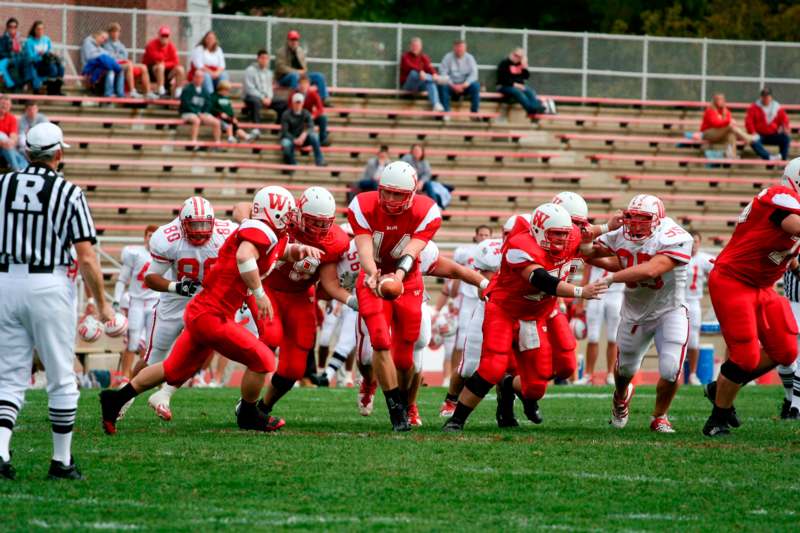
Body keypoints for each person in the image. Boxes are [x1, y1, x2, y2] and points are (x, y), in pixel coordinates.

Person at [100, 187, 322, 434]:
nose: (292, 217)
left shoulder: (270, 233)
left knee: (172, 369)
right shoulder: (260, 231)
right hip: (212, 315)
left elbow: (278, 252)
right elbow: (245, 256)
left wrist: (298, 251)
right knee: (264, 359)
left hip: (203, 310)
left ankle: (114, 400)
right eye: (288, 212)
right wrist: (259, 294)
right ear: (275, 212)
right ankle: (248, 414)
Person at [0, 122, 113, 480]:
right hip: (48, 282)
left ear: (29, 152)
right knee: (62, 376)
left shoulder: (2, 185)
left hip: (4, 280)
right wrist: (102, 303)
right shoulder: (69, 192)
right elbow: (87, 256)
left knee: (8, 376)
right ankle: (61, 461)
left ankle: (1, 451)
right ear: (59, 153)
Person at [442, 203, 606, 432]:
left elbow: (587, 232)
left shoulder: (569, 236)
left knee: (536, 386)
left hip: (533, 315)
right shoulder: (520, 246)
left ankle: (508, 387)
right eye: (555, 234)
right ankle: (456, 419)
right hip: (504, 310)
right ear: (538, 230)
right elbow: (540, 279)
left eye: (563, 234)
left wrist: (609, 226)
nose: (560, 239)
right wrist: (580, 291)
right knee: (492, 366)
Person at [702, 158, 800, 437]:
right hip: (733, 280)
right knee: (745, 356)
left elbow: (785, 253)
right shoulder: (779, 196)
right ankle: (717, 419)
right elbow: (793, 226)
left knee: (786, 351)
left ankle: (718, 388)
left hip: (762, 286)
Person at [244, 187, 353, 427]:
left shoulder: (336, 241)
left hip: (301, 295)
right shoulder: (283, 217)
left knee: (294, 368)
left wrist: (350, 300)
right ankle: (247, 408)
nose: (319, 229)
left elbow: (328, 283)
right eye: (313, 222)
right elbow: (244, 210)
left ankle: (263, 408)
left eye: (324, 223)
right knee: (270, 339)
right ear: (299, 214)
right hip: (269, 288)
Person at [348, 161, 443, 431]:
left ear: (412, 194)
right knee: (379, 340)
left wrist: (398, 277)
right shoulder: (363, 205)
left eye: (397, 194)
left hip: (408, 279)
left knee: (405, 357)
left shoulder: (427, 211)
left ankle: (405, 401)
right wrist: (372, 273)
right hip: (372, 276)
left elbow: (411, 251)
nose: (390, 200)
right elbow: (364, 246)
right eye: (386, 192)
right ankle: (395, 410)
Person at [591, 194, 694, 433]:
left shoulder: (675, 236)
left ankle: (659, 416)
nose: (635, 224)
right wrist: (601, 229)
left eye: (643, 219)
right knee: (625, 370)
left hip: (670, 309)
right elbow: (585, 251)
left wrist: (613, 279)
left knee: (671, 369)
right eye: (632, 218)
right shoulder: (620, 234)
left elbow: (652, 269)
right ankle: (620, 396)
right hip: (634, 311)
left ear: (658, 219)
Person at [132, 197, 237, 421]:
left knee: (196, 352)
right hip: (175, 299)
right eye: (194, 225)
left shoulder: (227, 232)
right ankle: (125, 397)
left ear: (212, 221)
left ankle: (165, 395)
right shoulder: (168, 237)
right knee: (153, 357)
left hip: (208, 299)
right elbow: (151, 278)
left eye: (204, 224)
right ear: (182, 223)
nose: (200, 231)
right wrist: (176, 286)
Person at [112, 226, 159, 382]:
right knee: (132, 342)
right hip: (137, 302)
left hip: (154, 302)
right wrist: (116, 300)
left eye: (154, 236)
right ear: (144, 237)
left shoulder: (163, 253)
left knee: (152, 343)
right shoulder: (134, 253)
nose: (151, 239)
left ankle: (146, 379)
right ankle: (126, 377)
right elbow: (122, 278)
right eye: (149, 235)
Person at [573, 265, 622, 386]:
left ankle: (611, 374)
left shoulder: (621, 247)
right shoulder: (596, 247)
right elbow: (586, 274)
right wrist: (580, 302)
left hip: (616, 292)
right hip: (596, 292)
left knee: (613, 337)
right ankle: (588, 375)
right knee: (593, 337)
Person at [684, 232, 714, 385]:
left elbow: (718, 271)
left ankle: (693, 374)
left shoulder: (704, 259)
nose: (693, 244)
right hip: (678, 302)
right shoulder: (678, 256)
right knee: (676, 339)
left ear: (700, 243)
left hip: (694, 301)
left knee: (694, 340)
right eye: (691, 241)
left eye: (696, 241)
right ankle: (677, 373)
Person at [103, 23, 156, 99]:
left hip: (123, 62)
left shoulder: (120, 44)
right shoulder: (106, 44)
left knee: (143, 67)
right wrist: (122, 58)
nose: (115, 34)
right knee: (129, 65)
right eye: (113, 31)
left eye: (117, 31)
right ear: (110, 32)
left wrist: (121, 57)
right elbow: (111, 57)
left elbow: (125, 54)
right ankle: (132, 91)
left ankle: (147, 92)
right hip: (114, 65)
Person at [497, 47, 555, 116]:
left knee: (530, 91)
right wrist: (516, 85)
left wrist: (524, 67)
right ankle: (531, 110)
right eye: (516, 55)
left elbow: (526, 77)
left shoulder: (520, 65)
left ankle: (535, 108)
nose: (517, 58)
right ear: (511, 54)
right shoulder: (504, 64)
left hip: (519, 86)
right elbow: (503, 79)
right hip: (505, 86)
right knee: (518, 92)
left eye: (520, 57)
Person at [275, 30, 329, 102]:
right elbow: (280, 68)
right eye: (292, 40)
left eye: (296, 40)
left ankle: (323, 100)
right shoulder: (281, 52)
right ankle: (296, 100)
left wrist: (304, 73)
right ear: (288, 41)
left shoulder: (300, 51)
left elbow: (304, 67)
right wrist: (297, 72)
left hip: (300, 76)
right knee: (294, 76)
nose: (294, 42)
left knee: (319, 76)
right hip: (284, 78)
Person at [697, 93, 755, 159]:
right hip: (708, 133)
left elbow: (728, 121)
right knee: (730, 126)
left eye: (722, 99)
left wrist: (729, 121)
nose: (721, 101)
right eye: (719, 99)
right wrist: (729, 121)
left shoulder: (725, 111)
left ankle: (732, 155)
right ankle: (748, 138)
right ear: (715, 101)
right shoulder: (710, 110)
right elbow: (716, 123)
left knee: (731, 135)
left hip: (720, 134)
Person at [242, 49, 288, 133]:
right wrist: (263, 98)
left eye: (266, 58)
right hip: (251, 97)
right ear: (258, 59)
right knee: (255, 102)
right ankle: (256, 129)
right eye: (262, 58)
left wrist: (269, 98)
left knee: (284, 103)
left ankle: (275, 129)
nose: (264, 60)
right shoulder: (250, 70)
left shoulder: (269, 73)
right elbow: (250, 89)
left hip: (266, 98)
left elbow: (269, 88)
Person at [280, 92, 325, 167]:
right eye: (296, 102)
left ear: (302, 103)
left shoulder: (306, 113)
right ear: (293, 103)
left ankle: (319, 160)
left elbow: (311, 126)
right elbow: (284, 132)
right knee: (286, 144)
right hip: (291, 138)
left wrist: (303, 135)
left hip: (303, 138)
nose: (298, 105)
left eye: (299, 102)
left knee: (314, 136)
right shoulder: (286, 114)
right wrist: (294, 139)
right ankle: (292, 163)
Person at [746, 87, 791, 161]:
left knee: (785, 138)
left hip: (773, 134)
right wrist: (753, 132)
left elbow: (784, 120)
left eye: (767, 96)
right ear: (761, 97)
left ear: (771, 97)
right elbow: (749, 122)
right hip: (759, 134)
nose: (766, 98)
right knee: (753, 141)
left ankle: (782, 160)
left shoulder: (777, 107)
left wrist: (785, 128)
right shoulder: (754, 107)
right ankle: (769, 157)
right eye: (764, 96)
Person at [179, 69, 221, 147]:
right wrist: (198, 113)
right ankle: (193, 142)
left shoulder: (205, 91)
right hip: (188, 112)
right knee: (196, 120)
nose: (199, 79)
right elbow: (186, 104)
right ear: (194, 77)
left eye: (201, 77)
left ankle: (217, 143)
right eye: (197, 77)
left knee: (217, 122)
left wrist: (204, 113)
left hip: (202, 113)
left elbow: (208, 104)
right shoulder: (187, 89)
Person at [780, 257, 800, 420]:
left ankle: (793, 404)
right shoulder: (790, 240)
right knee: (785, 357)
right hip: (791, 303)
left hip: (789, 304)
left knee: (789, 359)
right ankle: (792, 403)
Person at [400, 37, 444, 111]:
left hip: (420, 84)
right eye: (413, 46)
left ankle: (436, 104)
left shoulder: (424, 57)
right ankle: (437, 79)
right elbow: (409, 66)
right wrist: (420, 71)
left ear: (421, 47)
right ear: (410, 46)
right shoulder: (405, 56)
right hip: (409, 86)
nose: (415, 48)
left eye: (417, 46)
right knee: (414, 73)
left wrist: (434, 74)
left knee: (430, 82)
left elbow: (429, 67)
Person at [438, 40, 481, 113]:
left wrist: (464, 85)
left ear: (465, 49)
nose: (459, 50)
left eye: (461, 48)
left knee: (476, 86)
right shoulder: (447, 57)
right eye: (457, 48)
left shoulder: (470, 58)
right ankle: (446, 112)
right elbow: (443, 73)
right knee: (442, 86)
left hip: (465, 86)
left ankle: (474, 112)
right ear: (454, 48)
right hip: (451, 85)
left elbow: (474, 74)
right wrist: (453, 85)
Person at [142, 26, 185, 98]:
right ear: (159, 36)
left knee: (180, 69)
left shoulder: (171, 46)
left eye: (166, 36)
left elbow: (176, 61)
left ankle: (178, 92)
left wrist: (165, 63)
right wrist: (166, 61)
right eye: (162, 36)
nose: (164, 38)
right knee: (160, 67)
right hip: (150, 71)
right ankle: (161, 90)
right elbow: (156, 59)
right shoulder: (151, 45)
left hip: (166, 71)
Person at [23, 21, 64, 95]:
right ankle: (51, 91)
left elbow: (49, 51)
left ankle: (56, 89)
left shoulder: (46, 39)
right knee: (52, 68)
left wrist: (51, 54)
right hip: (37, 63)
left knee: (61, 68)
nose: (40, 31)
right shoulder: (29, 41)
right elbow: (30, 57)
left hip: (47, 61)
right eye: (38, 29)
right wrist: (39, 54)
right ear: (34, 30)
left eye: (42, 29)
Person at [80, 30, 124, 98]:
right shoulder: (88, 42)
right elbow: (90, 57)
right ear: (97, 36)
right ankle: (108, 94)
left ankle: (120, 94)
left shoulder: (99, 47)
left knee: (118, 69)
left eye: (105, 40)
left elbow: (109, 56)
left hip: (99, 67)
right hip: (89, 68)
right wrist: (103, 56)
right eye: (102, 38)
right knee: (110, 69)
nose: (103, 40)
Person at [295, 74, 329, 146]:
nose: (303, 86)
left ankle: (323, 139)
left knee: (323, 118)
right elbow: (290, 108)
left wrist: (313, 115)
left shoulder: (313, 94)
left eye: (305, 83)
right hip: (298, 118)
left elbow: (320, 108)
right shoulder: (294, 94)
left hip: (310, 116)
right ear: (298, 85)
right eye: (301, 83)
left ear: (309, 85)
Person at [190, 31, 227, 95]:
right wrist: (211, 73)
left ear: (215, 40)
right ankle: (210, 96)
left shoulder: (218, 50)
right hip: (202, 72)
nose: (210, 40)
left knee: (224, 74)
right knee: (206, 76)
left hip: (215, 74)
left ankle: (221, 96)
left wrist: (216, 73)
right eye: (208, 38)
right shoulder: (199, 49)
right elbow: (199, 65)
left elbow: (222, 65)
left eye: (212, 38)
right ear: (205, 39)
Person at [0, 95, 26, 170]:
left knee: (10, 147)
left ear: (10, 106)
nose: (4, 106)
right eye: (2, 104)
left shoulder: (11, 118)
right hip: (3, 144)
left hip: (6, 147)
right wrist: (3, 143)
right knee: (2, 136)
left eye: (7, 104)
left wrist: (10, 143)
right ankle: (19, 171)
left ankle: (18, 170)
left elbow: (13, 136)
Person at [0, 18, 25, 90]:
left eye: (15, 27)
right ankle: (11, 84)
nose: (12, 29)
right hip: (7, 60)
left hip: (18, 60)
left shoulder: (19, 39)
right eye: (11, 27)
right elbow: (1, 52)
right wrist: (10, 54)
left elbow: (23, 52)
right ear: (7, 28)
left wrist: (20, 50)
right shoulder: (3, 39)